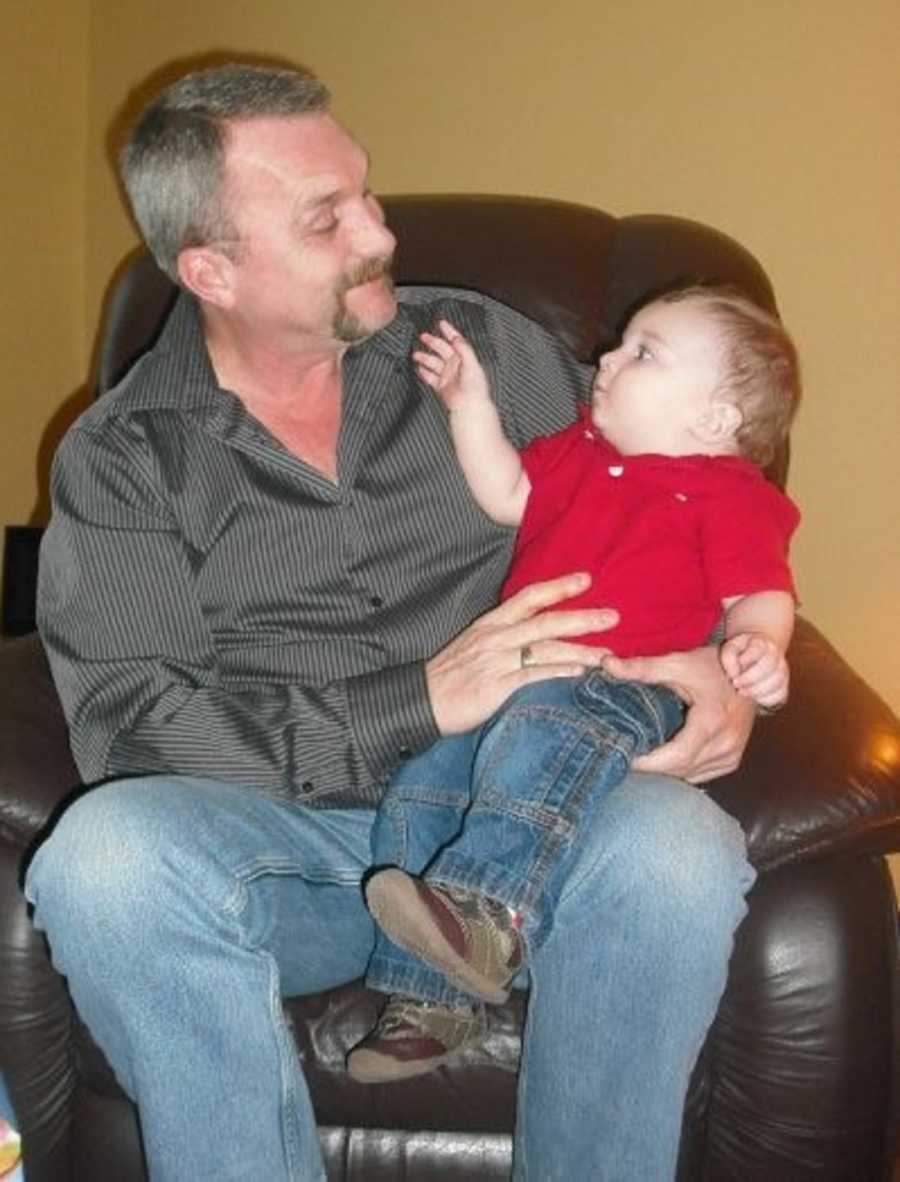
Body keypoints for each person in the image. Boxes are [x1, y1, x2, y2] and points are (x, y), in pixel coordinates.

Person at [26, 61, 759, 1182]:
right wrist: (414, 700)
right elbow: (128, 728)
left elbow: (675, 504)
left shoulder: (487, 351)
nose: (379, 232)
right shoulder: (124, 459)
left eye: (365, 192)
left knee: (677, 850)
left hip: (524, 823)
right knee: (106, 860)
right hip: (292, 854)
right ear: (209, 269)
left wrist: (714, 661)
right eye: (328, 219)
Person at [348, 288, 800, 1084]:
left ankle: (493, 912)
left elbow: (759, 592)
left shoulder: (727, 492)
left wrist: (760, 644)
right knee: (422, 784)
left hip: (619, 683)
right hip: (516, 677)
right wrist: (469, 402)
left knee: (540, 731)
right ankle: (430, 1001)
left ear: (715, 421)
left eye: (644, 353)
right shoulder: (578, 452)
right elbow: (506, 495)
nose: (607, 361)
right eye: (619, 345)